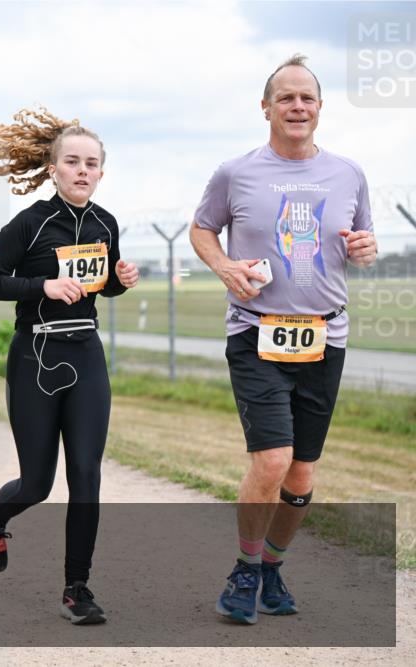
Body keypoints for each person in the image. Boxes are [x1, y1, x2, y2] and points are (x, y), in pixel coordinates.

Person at [189, 55, 377, 625]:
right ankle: (245, 570)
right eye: (286, 98)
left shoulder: (349, 173)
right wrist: (223, 267)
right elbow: (202, 228)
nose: (298, 107)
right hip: (256, 332)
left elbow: (359, 240)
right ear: (266, 107)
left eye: (308, 98)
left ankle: (271, 566)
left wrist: (365, 250)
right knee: (271, 461)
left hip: (326, 337)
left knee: (302, 474)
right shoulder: (236, 173)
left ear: (319, 108)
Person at [0, 108, 139, 625]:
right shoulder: (30, 222)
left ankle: (77, 588)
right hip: (35, 357)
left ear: (101, 173)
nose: (82, 170)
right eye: (72, 162)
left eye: (92, 163)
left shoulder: (106, 223)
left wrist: (118, 278)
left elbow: (100, 284)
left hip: (86, 353)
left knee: (86, 474)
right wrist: (40, 286)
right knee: (38, 484)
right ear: (53, 169)